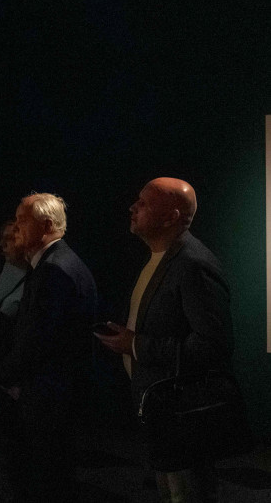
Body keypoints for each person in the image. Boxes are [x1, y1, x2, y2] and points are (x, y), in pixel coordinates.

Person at [96, 177, 231, 502]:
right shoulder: (162, 258)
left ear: (171, 217)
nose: (133, 208)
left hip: (181, 419)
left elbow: (214, 346)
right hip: (163, 415)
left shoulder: (192, 265)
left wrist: (135, 345)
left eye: (143, 203)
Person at [0, 193, 97, 502]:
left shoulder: (54, 270)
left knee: (44, 480)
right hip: (56, 396)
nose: (15, 228)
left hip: (47, 399)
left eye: (22, 220)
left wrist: (3, 375)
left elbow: (39, 340)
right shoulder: (61, 263)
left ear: (48, 226)